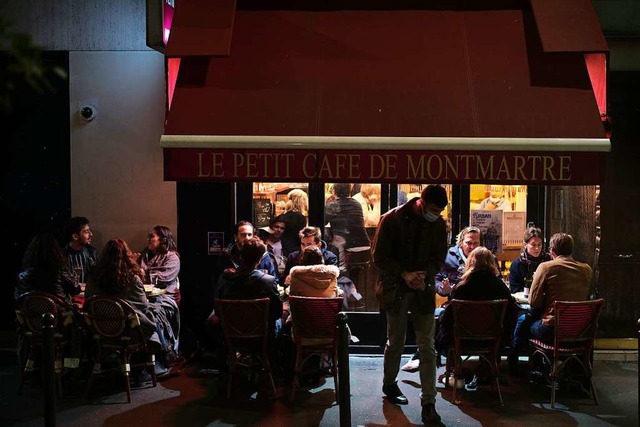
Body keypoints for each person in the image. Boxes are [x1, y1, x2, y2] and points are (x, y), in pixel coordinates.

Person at [372, 184, 448, 424]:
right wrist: (405, 274)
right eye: (434, 209)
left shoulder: (437, 223)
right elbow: (379, 256)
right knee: (396, 341)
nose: (436, 214)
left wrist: (423, 276)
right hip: (396, 286)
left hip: (421, 286)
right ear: (421, 203)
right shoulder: (392, 219)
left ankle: (429, 401)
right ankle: (390, 384)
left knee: (427, 346)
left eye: (439, 211)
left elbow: (439, 255)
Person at [86, 237, 180, 379]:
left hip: (101, 331)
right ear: (126, 255)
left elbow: (88, 300)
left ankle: (78, 366)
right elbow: (143, 306)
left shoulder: (93, 278)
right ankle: (163, 358)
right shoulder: (132, 279)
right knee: (154, 313)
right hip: (130, 332)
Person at [508, 233, 593, 375]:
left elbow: (534, 302)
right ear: (571, 250)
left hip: (552, 331)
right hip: (580, 330)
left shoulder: (546, 267)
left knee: (524, 322)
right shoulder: (587, 269)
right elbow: (587, 296)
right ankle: (571, 372)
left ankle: (523, 366)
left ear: (552, 250)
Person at [401, 225, 482, 373]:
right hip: (455, 306)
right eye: (469, 243)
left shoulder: (484, 257)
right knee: (439, 314)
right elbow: (436, 279)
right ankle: (428, 354)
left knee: (443, 315)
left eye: (476, 243)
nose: (472, 247)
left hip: (480, 308)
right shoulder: (449, 257)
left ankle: (426, 354)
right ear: (461, 242)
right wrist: (443, 290)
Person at [434, 246, 516, 357]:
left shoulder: (461, 286)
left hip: (462, 340)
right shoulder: (499, 286)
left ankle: (453, 363)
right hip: (491, 340)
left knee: (440, 314)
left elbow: (450, 317)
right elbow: (511, 311)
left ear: (470, 262)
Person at [216, 237, 283, 338]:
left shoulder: (225, 278)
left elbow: (218, 310)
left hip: (232, 335)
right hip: (262, 337)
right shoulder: (268, 281)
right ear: (260, 259)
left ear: (241, 256)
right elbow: (277, 313)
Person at [15, 233, 82, 305]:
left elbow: (18, 300)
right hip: (61, 314)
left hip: (31, 315)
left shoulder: (22, 276)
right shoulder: (59, 273)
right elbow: (75, 289)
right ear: (55, 251)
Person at [324, 183, 371, 273]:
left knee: (329, 251)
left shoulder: (332, 205)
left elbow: (322, 222)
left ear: (334, 191)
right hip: (365, 247)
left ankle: (339, 279)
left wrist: (327, 204)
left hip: (346, 249)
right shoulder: (356, 203)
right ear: (349, 191)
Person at [139, 225, 182, 304]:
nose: (148, 239)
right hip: (144, 296)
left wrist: (141, 274)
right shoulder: (144, 254)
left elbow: (162, 279)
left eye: (152, 236)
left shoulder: (172, 257)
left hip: (163, 298)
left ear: (163, 240)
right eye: (149, 237)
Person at [509, 226, 552, 294]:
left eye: (539, 244)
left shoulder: (548, 260)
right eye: (533, 244)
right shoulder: (517, 264)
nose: (537, 248)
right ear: (525, 245)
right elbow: (515, 289)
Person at [61, 216, 98, 285]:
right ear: (75, 236)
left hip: (87, 294)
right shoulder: (62, 255)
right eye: (86, 232)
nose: (91, 234)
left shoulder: (91, 253)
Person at [280, 189, 309, 254]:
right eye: (304, 199)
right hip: (294, 249)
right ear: (301, 200)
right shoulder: (299, 217)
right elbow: (300, 236)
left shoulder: (283, 215)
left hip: (283, 248)